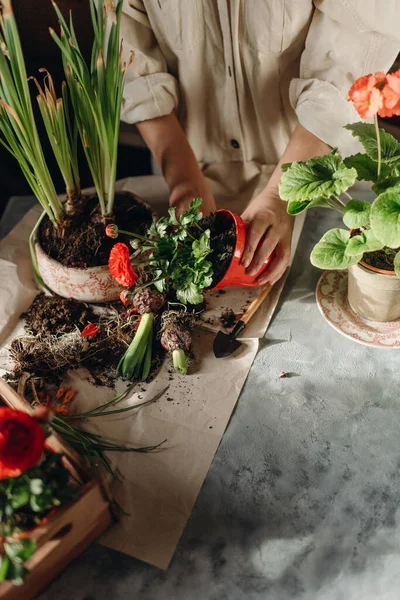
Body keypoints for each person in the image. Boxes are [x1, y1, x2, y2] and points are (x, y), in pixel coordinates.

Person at [121, 1, 400, 286]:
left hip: (317, 169)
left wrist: (281, 194)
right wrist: (185, 185)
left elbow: (354, 49)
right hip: (185, 157)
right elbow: (130, 62)